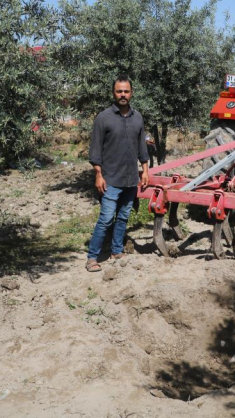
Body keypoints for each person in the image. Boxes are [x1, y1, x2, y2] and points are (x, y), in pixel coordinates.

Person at [86, 75, 149, 272]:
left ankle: (116, 251)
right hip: (110, 178)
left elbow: (142, 147)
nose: (123, 95)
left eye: (126, 91)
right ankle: (92, 257)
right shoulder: (103, 118)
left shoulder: (137, 117)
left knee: (122, 217)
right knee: (105, 219)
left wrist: (145, 171)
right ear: (114, 93)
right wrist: (98, 174)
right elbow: (95, 150)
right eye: (119, 91)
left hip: (130, 179)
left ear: (131, 93)